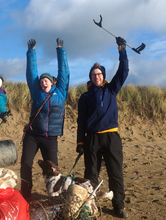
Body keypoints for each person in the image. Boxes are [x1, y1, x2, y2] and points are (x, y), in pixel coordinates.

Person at [76, 37, 129, 218]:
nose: (97, 76)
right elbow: (81, 120)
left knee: (116, 172)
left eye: (99, 74)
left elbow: (123, 71)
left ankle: (118, 205)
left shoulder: (111, 89)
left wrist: (122, 49)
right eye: (93, 74)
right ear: (90, 77)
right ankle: (90, 205)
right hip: (91, 139)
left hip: (111, 137)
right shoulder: (85, 96)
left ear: (103, 76)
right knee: (91, 175)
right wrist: (80, 141)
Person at [20, 38, 70, 201]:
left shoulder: (60, 91)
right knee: (26, 164)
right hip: (33, 135)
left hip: (51, 138)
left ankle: (55, 198)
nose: (43, 82)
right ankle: (25, 196)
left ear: (51, 82)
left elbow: (64, 72)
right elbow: (31, 73)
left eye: (45, 80)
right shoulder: (37, 92)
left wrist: (60, 49)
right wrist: (31, 52)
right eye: (41, 81)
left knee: (54, 171)